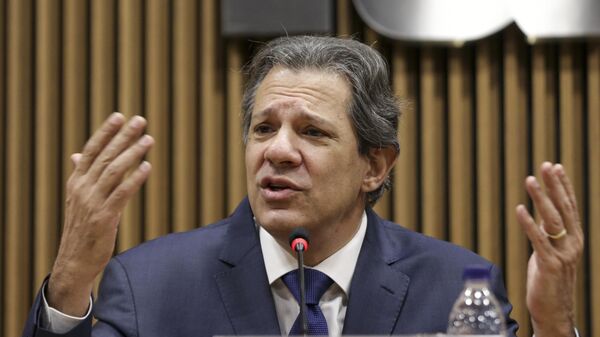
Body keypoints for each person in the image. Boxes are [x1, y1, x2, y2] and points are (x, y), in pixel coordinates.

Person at [22, 36, 582, 337]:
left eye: (312, 132)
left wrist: (555, 328)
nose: (278, 150)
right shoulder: (149, 285)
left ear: (375, 166)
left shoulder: (455, 287)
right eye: (264, 128)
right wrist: (72, 282)